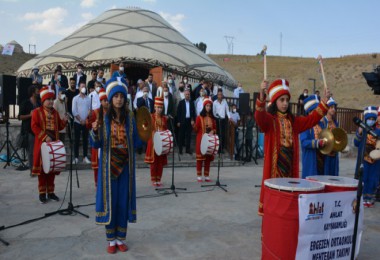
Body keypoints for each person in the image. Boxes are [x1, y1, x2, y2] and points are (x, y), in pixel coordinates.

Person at [255, 79, 329, 215]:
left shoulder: (293, 121)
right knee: (275, 193)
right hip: (275, 165)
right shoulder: (270, 121)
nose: (284, 103)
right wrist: (261, 95)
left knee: (288, 193)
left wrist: (324, 102)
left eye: (286, 100)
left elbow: (311, 119)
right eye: (281, 100)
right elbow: (259, 116)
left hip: (290, 163)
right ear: (275, 101)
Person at [89, 79, 139, 254]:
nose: (119, 99)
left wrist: (146, 131)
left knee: (123, 201)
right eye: (115, 96)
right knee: (111, 202)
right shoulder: (104, 118)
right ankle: (111, 240)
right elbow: (96, 144)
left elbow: (137, 141)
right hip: (109, 166)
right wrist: (94, 131)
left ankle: (120, 238)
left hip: (125, 166)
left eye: (121, 96)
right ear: (110, 99)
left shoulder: (131, 118)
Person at [31, 86, 68, 203]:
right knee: (42, 170)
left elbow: (61, 126)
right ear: (43, 101)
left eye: (52, 99)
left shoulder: (55, 113)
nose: (51, 101)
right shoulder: (37, 112)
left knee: (52, 168)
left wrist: (65, 120)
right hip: (42, 144)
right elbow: (34, 126)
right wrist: (44, 136)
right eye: (49, 99)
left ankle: (51, 193)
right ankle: (42, 194)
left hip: (53, 144)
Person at [354, 106, 380, 207]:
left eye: (373, 119)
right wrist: (359, 133)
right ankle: (362, 198)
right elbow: (356, 143)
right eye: (369, 119)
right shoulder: (362, 129)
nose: (371, 121)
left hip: (375, 161)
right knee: (363, 178)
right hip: (363, 159)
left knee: (373, 179)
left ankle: (370, 198)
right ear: (365, 119)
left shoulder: (378, 131)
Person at [144, 96, 168, 186]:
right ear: (154, 107)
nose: (159, 109)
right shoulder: (150, 117)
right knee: (154, 162)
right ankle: (153, 179)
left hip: (162, 142)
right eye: (157, 107)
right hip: (153, 141)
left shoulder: (164, 119)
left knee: (160, 161)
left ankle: (159, 179)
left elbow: (166, 129)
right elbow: (145, 127)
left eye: (160, 107)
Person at [86, 88, 108, 187]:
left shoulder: (112, 112)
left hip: (107, 141)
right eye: (105, 100)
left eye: (107, 100)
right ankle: (97, 184)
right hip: (98, 141)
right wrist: (88, 117)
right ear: (101, 101)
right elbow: (88, 125)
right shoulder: (96, 112)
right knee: (97, 166)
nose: (107, 102)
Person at [300, 95, 325, 178]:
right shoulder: (305, 124)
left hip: (322, 159)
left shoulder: (322, 124)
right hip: (311, 159)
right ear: (310, 112)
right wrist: (317, 143)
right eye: (316, 111)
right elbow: (304, 142)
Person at [19, 85, 40, 176]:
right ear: (33, 93)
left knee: (38, 151)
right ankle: (32, 170)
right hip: (29, 131)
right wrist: (30, 115)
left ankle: (38, 168)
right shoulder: (26, 103)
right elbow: (20, 117)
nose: (38, 92)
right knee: (31, 152)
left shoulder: (39, 103)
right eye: (37, 91)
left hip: (38, 130)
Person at [194, 97, 216, 182]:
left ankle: (206, 175)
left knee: (207, 158)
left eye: (210, 106)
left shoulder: (213, 118)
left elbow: (215, 129)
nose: (208, 108)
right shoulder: (199, 117)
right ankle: (199, 175)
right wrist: (193, 126)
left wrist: (213, 131)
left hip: (209, 140)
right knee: (200, 159)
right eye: (207, 106)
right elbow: (196, 130)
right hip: (201, 140)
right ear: (204, 106)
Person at [319, 97, 340, 176]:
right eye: (331, 107)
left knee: (333, 174)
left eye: (334, 107)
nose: (333, 109)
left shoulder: (335, 122)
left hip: (334, 152)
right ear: (327, 109)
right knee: (325, 174)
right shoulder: (322, 121)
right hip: (325, 153)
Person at [72, 82, 91, 164]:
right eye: (82, 86)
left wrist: (85, 119)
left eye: (84, 86)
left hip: (86, 122)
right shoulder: (75, 98)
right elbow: (74, 111)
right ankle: (76, 157)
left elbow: (90, 110)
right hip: (77, 122)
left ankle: (85, 157)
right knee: (76, 140)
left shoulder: (88, 98)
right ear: (79, 88)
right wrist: (80, 120)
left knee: (85, 140)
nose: (84, 88)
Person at [176, 88, 196, 154]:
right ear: (184, 95)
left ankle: (188, 149)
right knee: (181, 136)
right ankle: (180, 150)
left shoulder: (191, 103)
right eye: (186, 94)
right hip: (182, 121)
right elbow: (178, 112)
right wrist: (178, 121)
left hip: (189, 121)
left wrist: (193, 119)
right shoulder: (181, 102)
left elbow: (193, 112)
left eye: (188, 94)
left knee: (188, 136)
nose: (187, 95)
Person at [213, 88, 231, 153]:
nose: (220, 96)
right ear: (217, 95)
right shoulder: (215, 102)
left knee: (223, 135)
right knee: (218, 135)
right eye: (219, 95)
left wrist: (229, 117)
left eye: (221, 94)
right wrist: (217, 117)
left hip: (223, 120)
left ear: (222, 95)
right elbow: (214, 112)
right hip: (217, 120)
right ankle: (217, 148)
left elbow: (227, 111)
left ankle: (221, 148)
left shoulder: (225, 102)